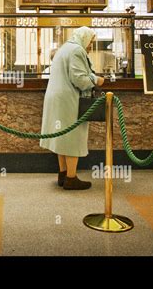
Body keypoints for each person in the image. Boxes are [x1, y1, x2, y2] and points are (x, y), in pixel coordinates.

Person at [40, 26, 104, 190]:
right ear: (84, 38)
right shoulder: (76, 50)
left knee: (62, 137)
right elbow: (80, 79)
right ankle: (71, 177)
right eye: (91, 41)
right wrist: (96, 80)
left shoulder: (64, 49)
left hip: (56, 98)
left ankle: (63, 173)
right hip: (68, 100)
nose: (90, 45)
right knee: (73, 137)